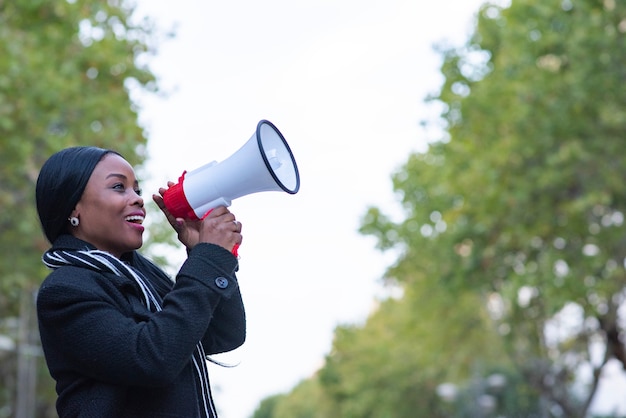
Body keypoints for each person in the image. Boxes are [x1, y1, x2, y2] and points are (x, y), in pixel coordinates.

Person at [35, 146, 246, 418]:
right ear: (74, 207)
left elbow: (224, 334)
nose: (137, 199)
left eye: (137, 189)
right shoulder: (65, 291)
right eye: (118, 187)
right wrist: (207, 260)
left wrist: (202, 253)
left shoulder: (145, 277)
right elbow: (151, 358)